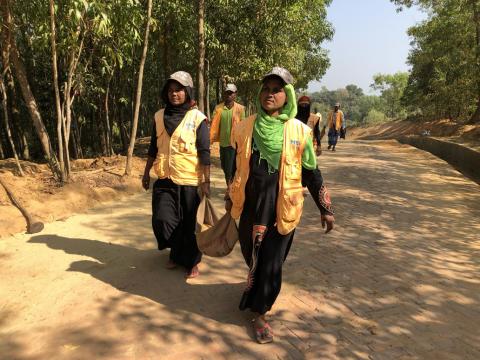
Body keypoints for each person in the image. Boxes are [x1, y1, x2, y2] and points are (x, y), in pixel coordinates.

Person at [226, 67, 335, 344]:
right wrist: (230, 194)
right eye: (266, 89)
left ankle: (260, 314)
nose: (270, 94)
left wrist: (325, 208)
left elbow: (311, 172)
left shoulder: (300, 131)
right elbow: (235, 166)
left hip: (282, 207)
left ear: (287, 96)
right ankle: (257, 285)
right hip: (251, 205)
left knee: (272, 262)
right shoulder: (244, 127)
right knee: (252, 254)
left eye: (277, 90)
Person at [142, 71, 210, 279]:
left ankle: (191, 261)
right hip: (164, 178)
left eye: (179, 90)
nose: (174, 94)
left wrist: (206, 181)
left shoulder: (198, 118)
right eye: (170, 90)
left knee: (189, 223)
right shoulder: (159, 116)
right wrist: (146, 172)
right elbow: (153, 147)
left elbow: (204, 151)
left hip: (189, 179)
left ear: (187, 92)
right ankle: (175, 249)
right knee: (163, 219)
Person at [210, 84, 245, 184]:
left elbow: (243, 126)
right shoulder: (218, 108)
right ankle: (229, 186)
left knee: (231, 168)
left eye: (231, 93)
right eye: (227, 93)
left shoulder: (240, 109)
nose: (229, 95)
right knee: (224, 167)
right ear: (224, 94)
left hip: (234, 144)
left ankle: (230, 189)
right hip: (222, 144)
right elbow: (214, 124)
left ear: (235, 95)